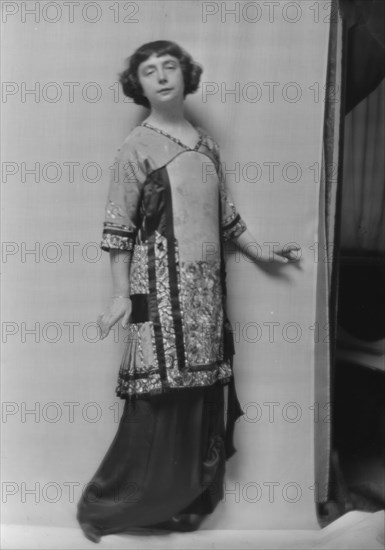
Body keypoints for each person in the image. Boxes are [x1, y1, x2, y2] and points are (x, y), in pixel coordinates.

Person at [76, 40, 300, 543]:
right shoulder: (136, 146)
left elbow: (226, 219)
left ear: (185, 74)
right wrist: (119, 298)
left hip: (206, 296)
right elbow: (118, 230)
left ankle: (183, 501)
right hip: (153, 292)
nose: (160, 76)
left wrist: (262, 251)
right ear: (139, 85)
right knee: (156, 398)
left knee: (200, 394)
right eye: (149, 71)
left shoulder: (206, 144)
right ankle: (114, 505)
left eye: (169, 66)